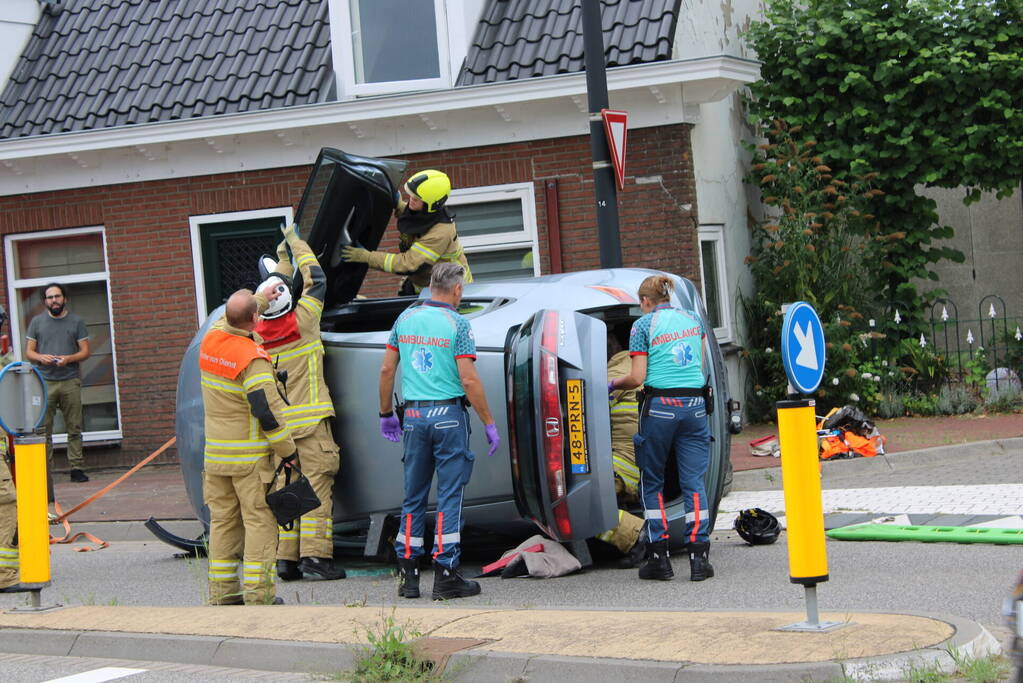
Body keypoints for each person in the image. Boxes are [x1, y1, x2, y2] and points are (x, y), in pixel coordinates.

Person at [377, 262, 499, 600]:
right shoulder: (457, 324)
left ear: (431, 286)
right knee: (449, 496)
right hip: (448, 415)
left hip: (414, 416)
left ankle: (408, 577)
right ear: (457, 289)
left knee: (413, 496)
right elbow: (469, 379)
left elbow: (387, 369)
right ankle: (446, 574)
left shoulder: (405, 319)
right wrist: (489, 423)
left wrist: (386, 413)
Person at [254, 225, 345, 582]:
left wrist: (280, 262)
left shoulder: (257, 338)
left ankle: (286, 561)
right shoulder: (305, 322)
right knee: (318, 489)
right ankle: (317, 559)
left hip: (279, 430)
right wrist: (295, 243)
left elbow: (275, 291)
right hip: (312, 424)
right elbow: (316, 279)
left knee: (288, 489)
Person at [609, 275, 714, 582]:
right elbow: (701, 367)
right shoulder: (694, 320)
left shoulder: (642, 326)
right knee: (693, 481)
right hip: (695, 408)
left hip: (660, 409)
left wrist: (612, 384)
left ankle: (659, 558)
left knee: (651, 482)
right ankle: (699, 559)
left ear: (645, 302)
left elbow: (637, 377)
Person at [199, 286, 297, 605]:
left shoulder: (211, 339)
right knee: (259, 521)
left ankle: (223, 593)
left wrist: (262, 298)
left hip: (215, 458)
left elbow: (234, 315)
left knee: (223, 522)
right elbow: (267, 412)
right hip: (249, 460)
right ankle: (259, 595)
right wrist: (288, 451)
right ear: (255, 320)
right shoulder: (251, 358)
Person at [340, 169, 472, 295]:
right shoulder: (428, 213)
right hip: (425, 285)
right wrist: (397, 203)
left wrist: (367, 257)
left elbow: (408, 263)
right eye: (410, 196)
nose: (410, 201)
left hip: (450, 291)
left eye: (416, 199)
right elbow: (414, 218)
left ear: (431, 204)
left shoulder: (440, 232)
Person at [24, 283, 90, 482]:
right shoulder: (36, 322)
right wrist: (40, 357)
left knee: (74, 427)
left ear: (64, 298)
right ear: (45, 301)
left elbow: (85, 351)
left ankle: (76, 468)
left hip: (70, 380)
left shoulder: (76, 321)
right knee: (44, 429)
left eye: (57, 296)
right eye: (50, 297)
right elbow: (29, 352)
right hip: (44, 382)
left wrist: (69, 359)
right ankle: (45, 472)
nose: (54, 300)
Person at [596, 327, 646, 568]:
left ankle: (636, 536)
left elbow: (581, 405)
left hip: (626, 463)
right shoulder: (634, 364)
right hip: (642, 459)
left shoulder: (613, 375)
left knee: (584, 503)